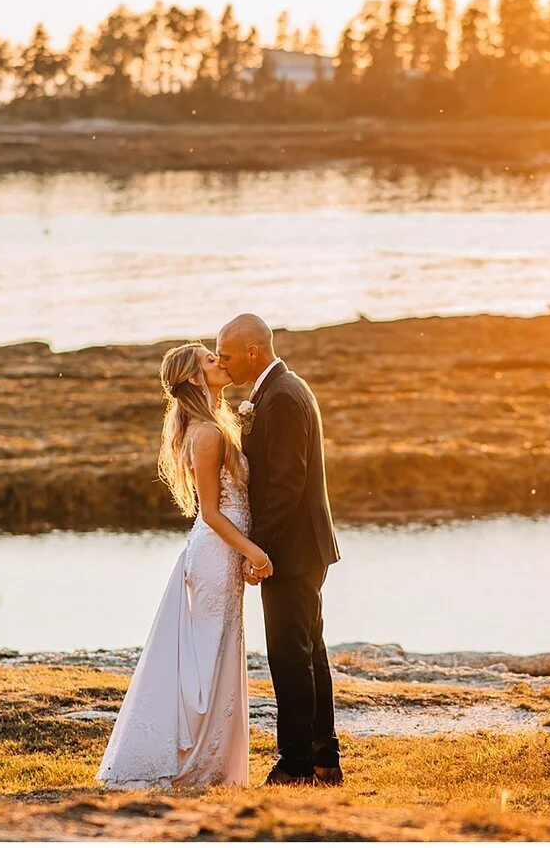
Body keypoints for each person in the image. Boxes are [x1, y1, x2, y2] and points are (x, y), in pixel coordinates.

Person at [95, 341, 268, 789]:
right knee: (208, 657)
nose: (220, 362)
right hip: (215, 552)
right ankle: (192, 759)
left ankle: (213, 759)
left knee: (218, 650)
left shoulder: (216, 423)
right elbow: (210, 513)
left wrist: (245, 550)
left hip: (224, 552)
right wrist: (252, 551)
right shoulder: (206, 433)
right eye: (211, 360)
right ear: (194, 377)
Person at [214, 313, 342, 786]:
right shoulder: (278, 390)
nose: (222, 363)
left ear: (253, 351)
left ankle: (295, 764)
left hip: (293, 550)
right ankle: (324, 759)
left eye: (227, 355)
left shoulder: (283, 396)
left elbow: (287, 484)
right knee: (308, 653)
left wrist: (259, 551)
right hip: (304, 546)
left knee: (290, 657)